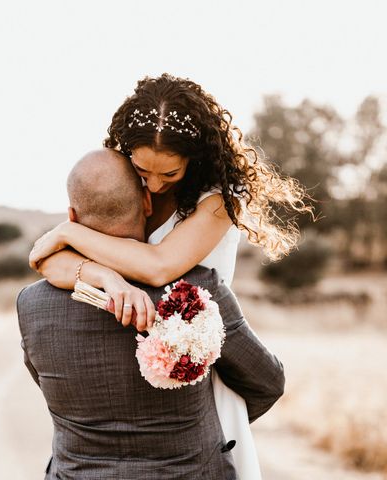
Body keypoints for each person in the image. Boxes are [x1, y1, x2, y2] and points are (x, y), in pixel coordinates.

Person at [28, 74, 311, 479]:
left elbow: (159, 266)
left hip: (196, 361)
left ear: (193, 160)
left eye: (170, 175)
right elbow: (51, 264)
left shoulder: (216, 203)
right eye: (143, 170)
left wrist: (70, 233)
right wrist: (105, 278)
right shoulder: (122, 189)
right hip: (119, 364)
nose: (155, 186)